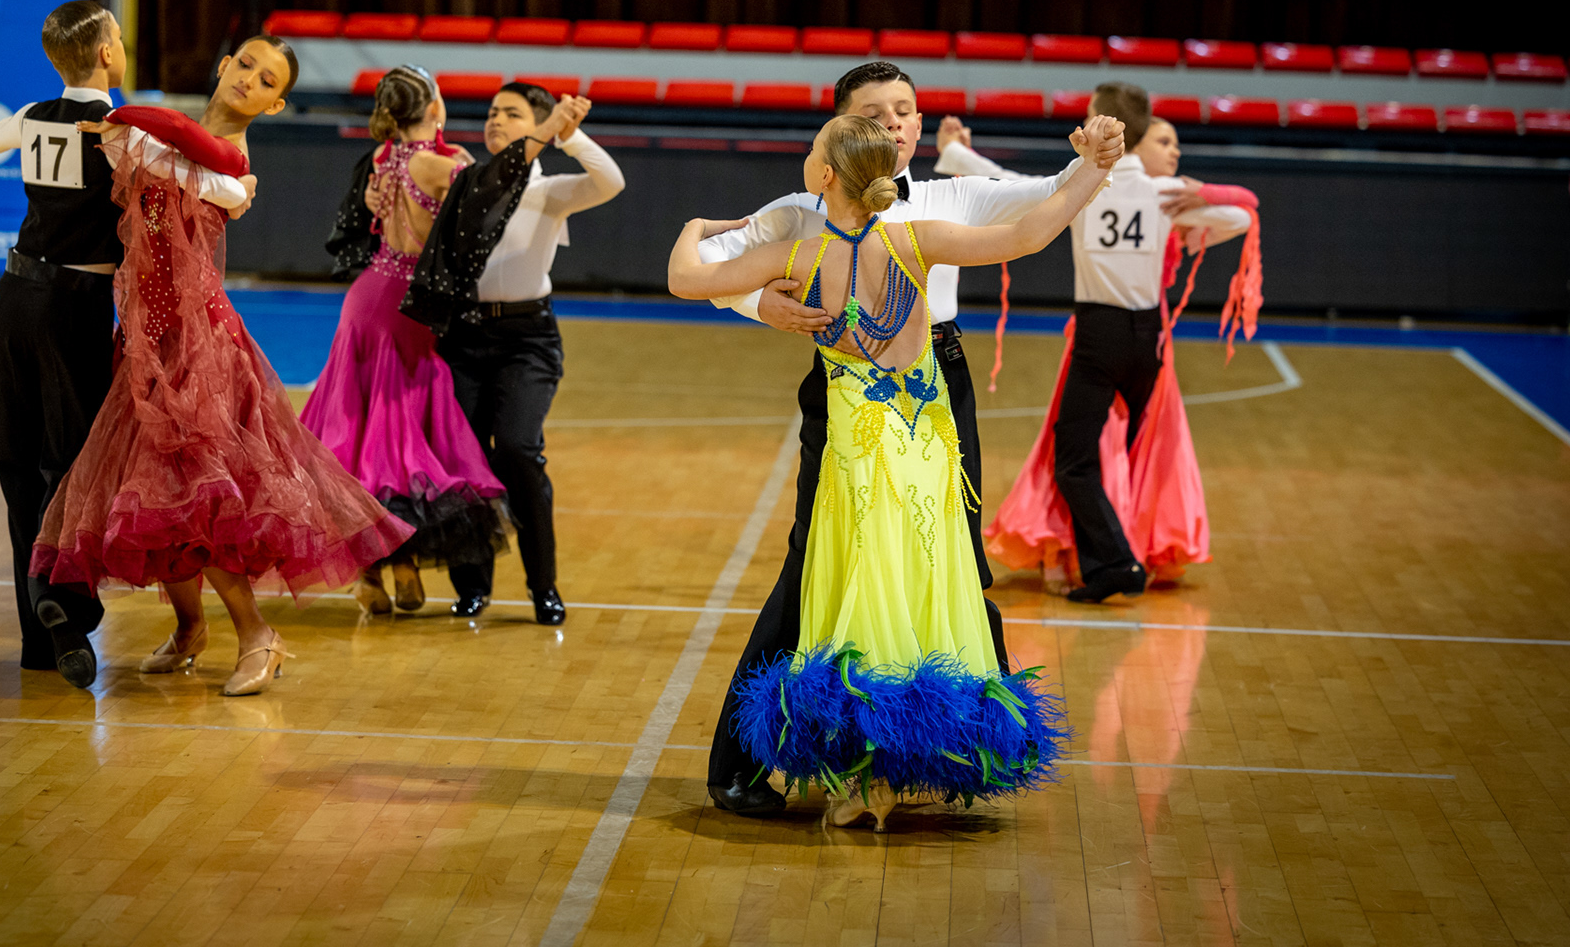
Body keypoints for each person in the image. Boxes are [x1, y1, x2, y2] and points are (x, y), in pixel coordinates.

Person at [666, 113, 1124, 828]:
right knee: (928, 587)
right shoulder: (916, 239)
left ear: (824, 176)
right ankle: (906, 766)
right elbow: (1030, 234)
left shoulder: (798, 254)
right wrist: (1094, 169)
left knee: (862, 590)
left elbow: (685, 279)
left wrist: (693, 224)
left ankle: (863, 771)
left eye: (813, 152)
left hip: (857, 453)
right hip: (928, 447)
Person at [30, 35, 414, 696]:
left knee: (194, 496)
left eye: (267, 80)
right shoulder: (162, 142)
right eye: (246, 64)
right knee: (149, 496)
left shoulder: (227, 156)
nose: (249, 79)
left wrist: (117, 114)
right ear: (223, 64)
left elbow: (172, 137)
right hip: (144, 338)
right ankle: (189, 628)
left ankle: (259, 636)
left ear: (275, 104)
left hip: (197, 341)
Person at [0, 0, 254, 688]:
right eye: (120, 37)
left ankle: (38, 636)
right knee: (71, 465)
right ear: (107, 54)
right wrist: (240, 186)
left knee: (16, 464)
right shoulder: (120, 132)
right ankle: (62, 604)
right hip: (71, 304)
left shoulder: (34, 115)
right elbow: (226, 190)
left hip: (11, 296)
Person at [942, 94, 1260, 598]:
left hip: (1099, 335)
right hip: (1149, 340)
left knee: (1074, 459)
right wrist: (1199, 195)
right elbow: (1241, 218)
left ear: (1107, 122)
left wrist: (956, 153)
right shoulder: (1163, 191)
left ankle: (1114, 563)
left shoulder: (1089, 183)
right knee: (1130, 454)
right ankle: (1120, 554)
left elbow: (1006, 182)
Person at [302, 69, 590, 614]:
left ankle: (377, 570)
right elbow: (494, 183)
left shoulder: (380, 159)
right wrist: (548, 130)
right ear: (434, 108)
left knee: (363, 441)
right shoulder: (445, 166)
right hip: (407, 310)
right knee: (399, 444)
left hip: (365, 299)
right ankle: (400, 563)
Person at [437, 82, 626, 625]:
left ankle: (543, 585)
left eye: (512, 114)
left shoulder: (549, 191)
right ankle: (472, 585)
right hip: (464, 337)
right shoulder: (466, 182)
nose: (496, 120)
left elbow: (611, 180)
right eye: (492, 112)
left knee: (518, 450)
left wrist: (569, 135)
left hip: (527, 339)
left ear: (539, 125)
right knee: (465, 458)